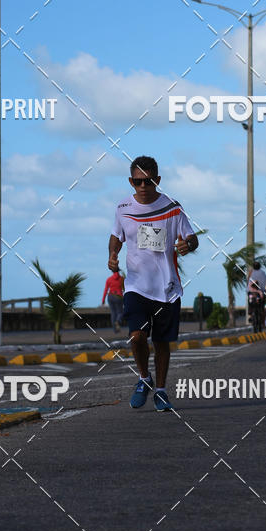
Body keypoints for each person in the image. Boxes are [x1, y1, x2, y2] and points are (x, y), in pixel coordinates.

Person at [108, 156, 198, 411]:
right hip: (136, 286)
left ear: (157, 180)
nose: (143, 187)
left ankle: (160, 390)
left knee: (161, 343)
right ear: (131, 182)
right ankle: (143, 378)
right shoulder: (123, 207)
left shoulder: (172, 208)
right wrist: (112, 255)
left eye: (148, 181)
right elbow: (116, 236)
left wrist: (187, 244)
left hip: (167, 288)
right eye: (138, 182)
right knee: (137, 337)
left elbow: (192, 237)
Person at [247, 262, 266, 330]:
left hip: (251, 292)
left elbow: (248, 281)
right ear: (260, 266)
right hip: (261, 293)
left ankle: (250, 314)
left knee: (250, 303)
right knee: (262, 307)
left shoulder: (251, 272)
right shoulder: (263, 273)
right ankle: (263, 323)